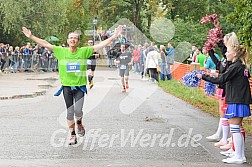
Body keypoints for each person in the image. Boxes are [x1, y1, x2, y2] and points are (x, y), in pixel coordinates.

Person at [22, 25, 123, 145]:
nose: (72, 40)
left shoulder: (84, 51)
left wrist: (115, 36)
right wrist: (31, 36)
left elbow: (101, 45)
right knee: (70, 113)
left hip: (80, 86)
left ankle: (79, 123)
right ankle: (73, 135)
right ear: (67, 40)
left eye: (75, 38)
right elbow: (45, 44)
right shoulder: (61, 51)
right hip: (66, 87)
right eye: (70, 38)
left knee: (78, 110)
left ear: (78, 41)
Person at [196, 32, 251, 164]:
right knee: (236, 128)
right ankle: (238, 154)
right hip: (238, 99)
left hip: (237, 100)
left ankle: (238, 156)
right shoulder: (240, 66)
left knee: (235, 128)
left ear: (235, 54)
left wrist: (203, 77)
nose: (226, 53)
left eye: (228, 51)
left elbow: (222, 78)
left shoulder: (236, 66)